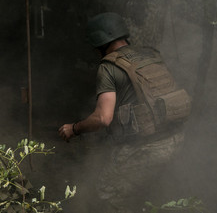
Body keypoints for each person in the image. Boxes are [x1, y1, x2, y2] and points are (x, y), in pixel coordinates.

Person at [58, 12, 187, 212]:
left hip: (147, 148)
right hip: (176, 139)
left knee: (108, 193)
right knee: (153, 193)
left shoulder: (108, 66)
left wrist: (74, 129)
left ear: (100, 43)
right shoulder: (151, 54)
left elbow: (103, 118)